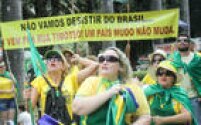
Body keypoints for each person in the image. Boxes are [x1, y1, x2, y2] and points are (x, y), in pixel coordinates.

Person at [72, 47, 150, 125]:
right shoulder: (91, 81)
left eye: (111, 59)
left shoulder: (132, 87)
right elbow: (77, 108)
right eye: (102, 59)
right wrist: (109, 93)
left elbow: (145, 117)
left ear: (121, 67)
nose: (105, 62)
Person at [31, 50, 98, 125]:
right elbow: (30, 107)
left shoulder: (72, 79)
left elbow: (94, 65)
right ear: (46, 64)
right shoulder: (39, 81)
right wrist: (27, 99)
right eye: (49, 59)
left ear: (63, 66)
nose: (52, 60)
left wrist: (79, 59)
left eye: (57, 59)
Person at [144, 61, 198, 125]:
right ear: (157, 77)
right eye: (160, 73)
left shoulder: (179, 93)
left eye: (168, 73)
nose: (163, 75)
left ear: (174, 78)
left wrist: (163, 120)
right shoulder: (150, 91)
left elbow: (187, 117)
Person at [168, 34, 201, 124]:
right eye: (179, 41)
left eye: (185, 40)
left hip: (193, 98)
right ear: (176, 44)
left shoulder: (197, 59)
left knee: (197, 122)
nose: (182, 42)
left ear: (190, 43)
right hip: (177, 98)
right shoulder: (171, 59)